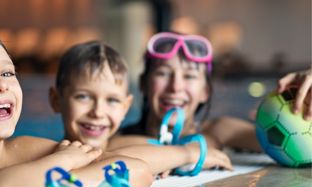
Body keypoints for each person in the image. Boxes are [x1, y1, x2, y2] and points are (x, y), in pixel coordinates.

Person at [0, 30, 153, 187]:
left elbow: (137, 172)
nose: (1, 84)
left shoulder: (20, 149)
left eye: (7, 73)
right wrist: (64, 161)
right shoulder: (54, 157)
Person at [49, 41, 234, 179]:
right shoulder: (42, 151)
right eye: (84, 97)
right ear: (56, 100)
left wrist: (179, 156)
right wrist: (185, 155)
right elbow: (111, 159)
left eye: (112, 100)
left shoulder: (128, 143)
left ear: (125, 107)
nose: (98, 112)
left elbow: (191, 144)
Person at [116, 32, 263, 154]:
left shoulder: (219, 130)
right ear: (144, 85)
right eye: (163, 73)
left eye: (189, 76)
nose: (175, 87)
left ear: (205, 92)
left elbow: (278, 141)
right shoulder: (118, 138)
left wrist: (287, 93)